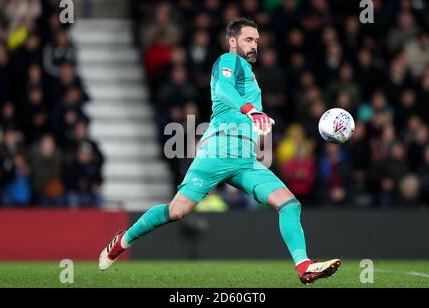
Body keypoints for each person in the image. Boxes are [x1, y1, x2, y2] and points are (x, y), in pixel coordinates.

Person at [99, 18, 341, 285]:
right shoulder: (228, 61)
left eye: (257, 41)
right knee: (177, 212)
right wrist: (251, 110)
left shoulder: (247, 72)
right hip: (218, 150)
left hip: (244, 158)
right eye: (249, 40)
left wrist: (255, 125)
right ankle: (122, 241)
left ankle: (303, 266)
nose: (254, 46)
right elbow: (223, 90)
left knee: (289, 205)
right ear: (232, 41)